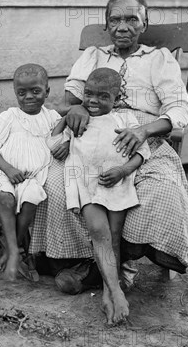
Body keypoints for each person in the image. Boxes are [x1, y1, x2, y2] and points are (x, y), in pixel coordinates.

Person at [30, 0, 188, 296]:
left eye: (132, 19)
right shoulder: (94, 55)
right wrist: (77, 107)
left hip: (142, 138)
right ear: (107, 24)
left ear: (143, 24)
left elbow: (178, 110)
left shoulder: (159, 59)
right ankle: (88, 261)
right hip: (90, 136)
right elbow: (71, 99)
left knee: (161, 187)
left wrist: (144, 131)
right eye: (115, 19)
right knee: (54, 181)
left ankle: (120, 265)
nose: (123, 26)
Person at [48, 67, 150, 324]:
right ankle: (117, 291)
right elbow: (53, 140)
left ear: (117, 98)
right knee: (99, 233)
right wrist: (69, 113)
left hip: (117, 184)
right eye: (88, 95)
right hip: (85, 185)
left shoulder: (124, 119)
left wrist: (123, 170)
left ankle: (107, 293)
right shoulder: (79, 118)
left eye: (102, 96)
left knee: (114, 238)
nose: (92, 101)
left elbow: (142, 152)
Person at [0, 64, 61, 281]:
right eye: (22, 92)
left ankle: (12, 248)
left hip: (33, 176)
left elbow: (60, 140)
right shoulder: (10, 116)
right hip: (5, 171)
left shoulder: (52, 117)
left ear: (47, 91)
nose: (29, 97)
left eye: (35, 91)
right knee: (6, 199)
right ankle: (15, 250)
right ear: (15, 93)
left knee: (30, 201)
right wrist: (8, 169)